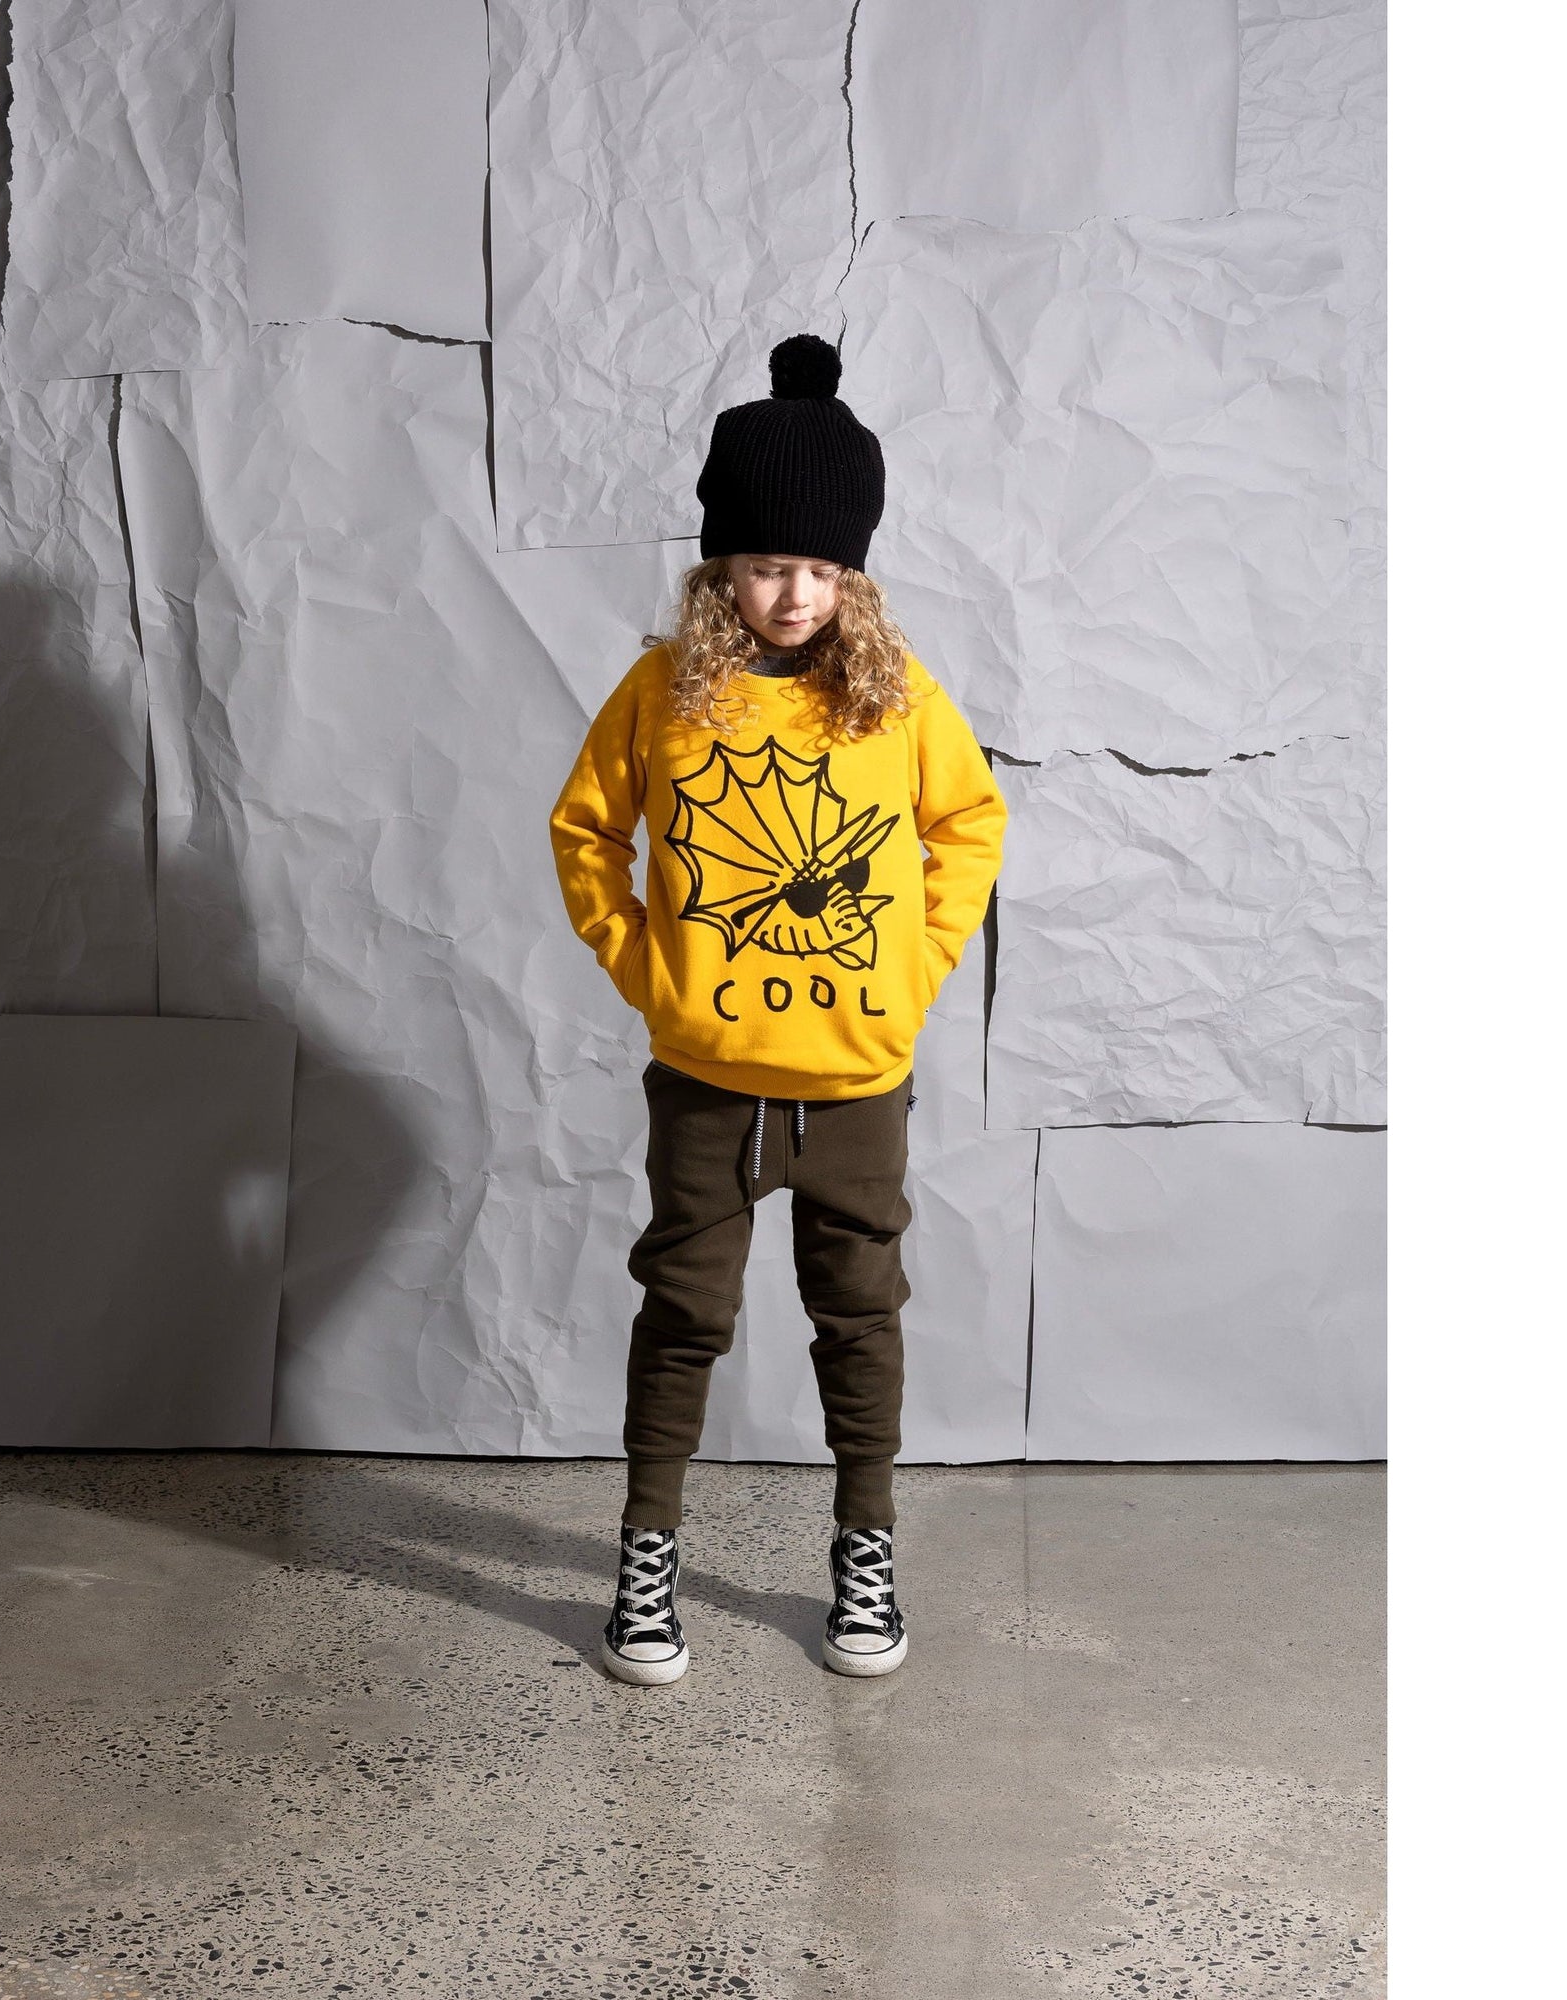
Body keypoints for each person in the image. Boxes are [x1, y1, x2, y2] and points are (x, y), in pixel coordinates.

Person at [548, 333, 1008, 1684]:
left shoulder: (895, 701)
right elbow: (587, 834)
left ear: (853, 573)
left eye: (819, 567)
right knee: (683, 1314)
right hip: (709, 1076)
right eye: (763, 564)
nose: (793, 593)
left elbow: (970, 825)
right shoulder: (663, 695)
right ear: (719, 569)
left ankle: (865, 1553)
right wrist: (651, 971)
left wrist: (912, 969)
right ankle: (647, 1556)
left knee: (859, 1320)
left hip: (856, 1079)